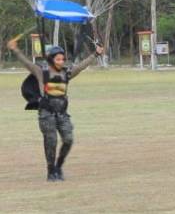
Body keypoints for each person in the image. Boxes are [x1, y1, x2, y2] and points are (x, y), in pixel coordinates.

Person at [7, 37, 103, 181]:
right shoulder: (41, 72)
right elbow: (26, 63)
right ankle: (51, 170)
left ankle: (59, 166)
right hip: (47, 114)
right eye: (58, 59)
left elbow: (82, 66)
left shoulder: (67, 73)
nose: (61, 62)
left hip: (62, 114)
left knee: (68, 139)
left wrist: (96, 54)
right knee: (51, 141)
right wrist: (15, 49)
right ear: (51, 59)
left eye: (62, 59)